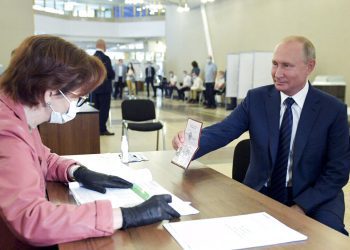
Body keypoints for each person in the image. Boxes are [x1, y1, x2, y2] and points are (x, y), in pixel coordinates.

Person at [0, 35, 180, 249]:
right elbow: (32, 220)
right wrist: (125, 215)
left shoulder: (20, 117)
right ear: (50, 93)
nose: (76, 105)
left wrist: (77, 171)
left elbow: (40, 158)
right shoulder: (8, 133)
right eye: (77, 97)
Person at [172, 36, 350, 235]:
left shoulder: (332, 110)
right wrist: (188, 142)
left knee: (332, 238)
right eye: (274, 64)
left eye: (287, 66)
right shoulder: (256, 99)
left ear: (310, 66)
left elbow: (338, 171)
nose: (277, 73)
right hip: (263, 191)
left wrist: (300, 208)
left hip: (314, 196)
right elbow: (224, 130)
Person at [91, 39, 115, 136]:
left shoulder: (92, 58)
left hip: (94, 89)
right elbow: (110, 73)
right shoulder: (105, 58)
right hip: (104, 89)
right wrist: (113, 74)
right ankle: (102, 129)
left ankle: (95, 128)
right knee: (104, 109)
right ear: (103, 46)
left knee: (96, 109)